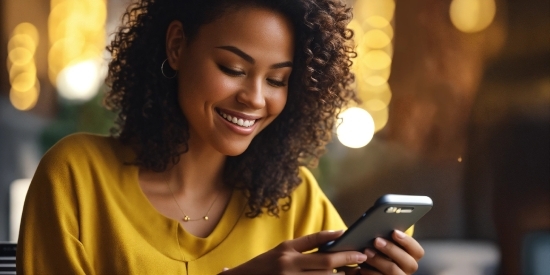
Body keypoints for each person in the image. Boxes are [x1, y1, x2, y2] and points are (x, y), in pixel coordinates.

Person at [17, 0, 425, 274]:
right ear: (177, 46)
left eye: (278, 79)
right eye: (233, 68)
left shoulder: (294, 198)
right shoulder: (76, 178)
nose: (255, 98)